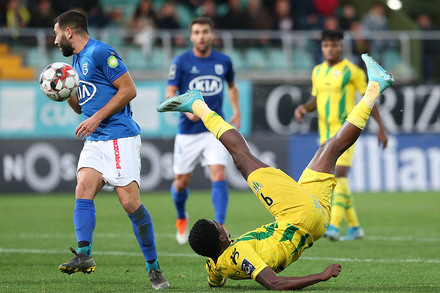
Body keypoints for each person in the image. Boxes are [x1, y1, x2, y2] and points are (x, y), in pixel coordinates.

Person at [157, 53, 394, 290]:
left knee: (330, 149)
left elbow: (215, 280)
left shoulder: (216, 265)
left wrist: (216, 280)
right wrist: (321, 276)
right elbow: (274, 284)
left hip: (316, 225)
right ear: (221, 237)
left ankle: (374, 85)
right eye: (217, 225)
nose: (220, 223)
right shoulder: (239, 253)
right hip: (296, 215)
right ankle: (197, 104)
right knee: (242, 158)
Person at [52, 10, 169, 290]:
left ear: (69, 31)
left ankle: (154, 268)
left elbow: (129, 90)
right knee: (83, 187)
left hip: (120, 137)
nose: (55, 40)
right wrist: (65, 92)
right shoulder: (77, 60)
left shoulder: (101, 52)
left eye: (56, 33)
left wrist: (96, 118)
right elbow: (82, 106)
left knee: (129, 203)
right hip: (96, 139)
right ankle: (84, 254)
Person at [294, 30, 388, 241]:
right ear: (322, 48)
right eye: (326, 45)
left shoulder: (353, 71)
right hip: (323, 133)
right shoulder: (317, 71)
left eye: (334, 45)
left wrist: (381, 128)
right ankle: (354, 226)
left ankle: (334, 226)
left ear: (341, 47)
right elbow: (314, 100)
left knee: (340, 174)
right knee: (334, 177)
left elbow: (369, 98)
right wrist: (303, 108)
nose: (330, 49)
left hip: (346, 130)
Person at [164, 17, 240, 245]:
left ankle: (220, 226)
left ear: (211, 34)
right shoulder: (181, 61)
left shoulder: (224, 61)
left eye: (205, 32)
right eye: (196, 32)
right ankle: (180, 217)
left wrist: (236, 111)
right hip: (188, 131)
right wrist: (187, 111)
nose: (201, 36)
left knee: (218, 174)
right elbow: (169, 93)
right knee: (180, 183)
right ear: (191, 36)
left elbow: (232, 86)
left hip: (214, 127)